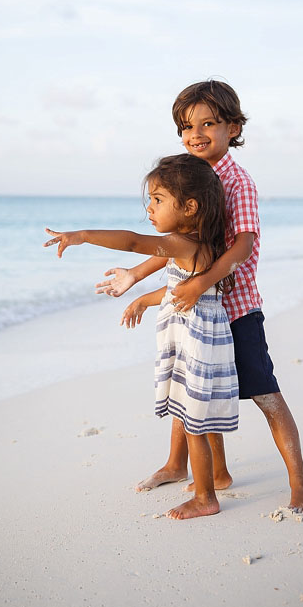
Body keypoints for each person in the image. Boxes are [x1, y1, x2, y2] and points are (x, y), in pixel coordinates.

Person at [95, 80, 303, 514]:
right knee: (189, 386)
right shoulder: (189, 176)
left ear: (232, 128)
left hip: (234, 308)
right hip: (196, 314)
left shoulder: (237, 182)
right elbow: (176, 243)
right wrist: (137, 277)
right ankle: (194, 468)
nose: (195, 134)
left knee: (265, 394)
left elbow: (242, 247)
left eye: (208, 123)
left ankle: (300, 479)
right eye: (185, 127)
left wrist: (202, 282)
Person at [45, 154, 238, 519]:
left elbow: (134, 242)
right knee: (200, 413)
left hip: (195, 344)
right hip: (201, 340)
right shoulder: (201, 244)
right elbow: (177, 292)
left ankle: (206, 498)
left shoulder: (183, 245)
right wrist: (142, 301)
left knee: (195, 424)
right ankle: (220, 474)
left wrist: (82, 236)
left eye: (158, 200)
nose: (150, 207)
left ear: (190, 207)